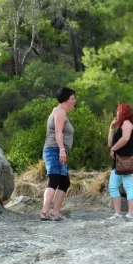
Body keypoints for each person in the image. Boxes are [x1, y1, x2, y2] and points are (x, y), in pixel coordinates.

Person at [41, 87, 76, 221]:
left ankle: (55, 212)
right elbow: (58, 132)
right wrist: (61, 149)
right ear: (66, 99)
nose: (74, 101)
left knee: (64, 182)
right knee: (54, 179)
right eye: (72, 98)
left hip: (59, 150)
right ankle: (44, 212)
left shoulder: (62, 112)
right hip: (54, 150)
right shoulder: (60, 112)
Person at [107, 102, 133, 220]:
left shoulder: (127, 123)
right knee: (113, 186)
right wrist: (111, 128)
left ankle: (131, 214)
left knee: (128, 186)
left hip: (126, 160)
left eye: (118, 110)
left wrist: (113, 149)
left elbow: (125, 139)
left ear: (124, 112)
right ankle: (118, 213)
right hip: (118, 162)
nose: (116, 113)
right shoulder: (120, 126)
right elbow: (110, 143)